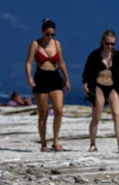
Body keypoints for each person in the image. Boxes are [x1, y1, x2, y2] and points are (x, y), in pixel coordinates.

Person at [25, 18, 71, 152]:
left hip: (55, 77)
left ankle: (56, 141)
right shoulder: (35, 44)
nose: (50, 37)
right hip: (41, 77)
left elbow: (61, 62)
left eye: (52, 34)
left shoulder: (57, 44)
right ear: (42, 32)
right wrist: (29, 77)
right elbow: (28, 62)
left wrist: (66, 79)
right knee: (43, 113)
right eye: (47, 34)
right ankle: (43, 143)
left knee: (58, 110)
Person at [82, 29, 119, 153]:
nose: (110, 46)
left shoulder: (117, 55)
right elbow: (87, 71)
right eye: (107, 43)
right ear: (102, 42)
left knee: (117, 115)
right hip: (99, 86)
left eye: (112, 44)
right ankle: (92, 144)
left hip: (113, 86)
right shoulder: (95, 55)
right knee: (96, 118)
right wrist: (85, 84)